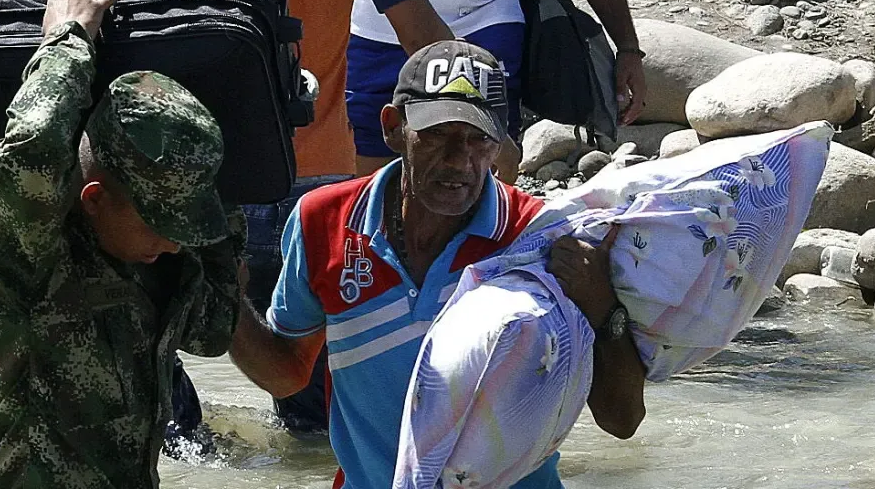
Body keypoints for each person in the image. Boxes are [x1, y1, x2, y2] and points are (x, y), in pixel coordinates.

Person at [228, 41, 648, 488]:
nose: (458, 159)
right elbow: (286, 376)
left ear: (502, 145)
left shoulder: (538, 236)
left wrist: (603, 308)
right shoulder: (323, 220)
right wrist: (224, 294)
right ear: (393, 128)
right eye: (436, 134)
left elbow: (621, 421)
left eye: (479, 139)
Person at [147, 0, 457, 433]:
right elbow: (420, 33)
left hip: (217, 179)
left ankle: (195, 452)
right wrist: (478, 117)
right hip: (319, 189)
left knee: (156, 355)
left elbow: (156, 26)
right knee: (315, 413)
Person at [0, 0, 248, 489]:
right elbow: (33, 146)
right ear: (94, 199)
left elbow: (212, 331)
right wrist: (68, 40)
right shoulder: (21, 259)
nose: (175, 242)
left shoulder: (155, 264)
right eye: (161, 224)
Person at [345, 0, 650, 177]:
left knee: (480, 175)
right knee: (365, 184)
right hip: (374, 28)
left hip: (487, 27)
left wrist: (627, 45)